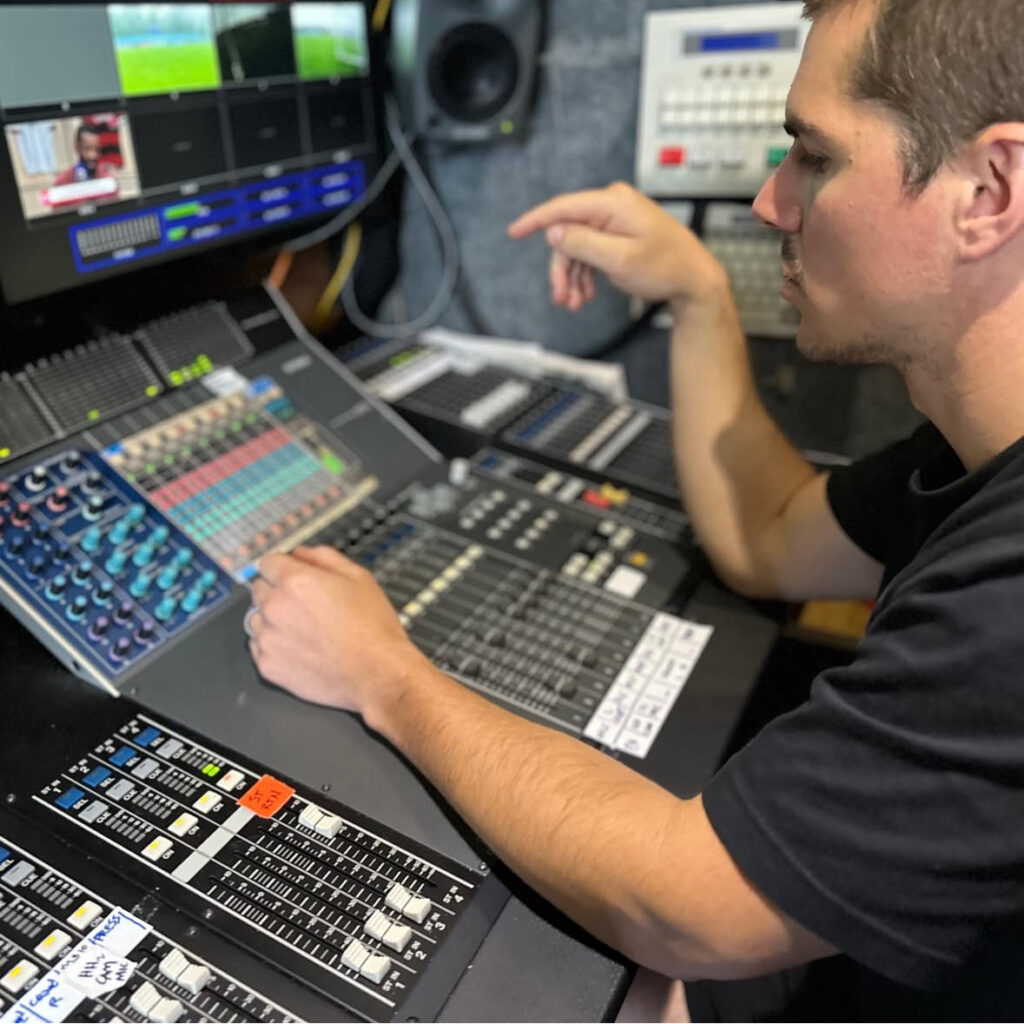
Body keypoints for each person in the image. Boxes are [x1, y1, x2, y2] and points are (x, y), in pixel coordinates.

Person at [246, 0, 1024, 1017]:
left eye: (813, 158)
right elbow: (774, 541)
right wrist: (697, 296)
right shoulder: (973, 444)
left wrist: (383, 674)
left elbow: (690, 905)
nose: (769, 201)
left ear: (990, 191)